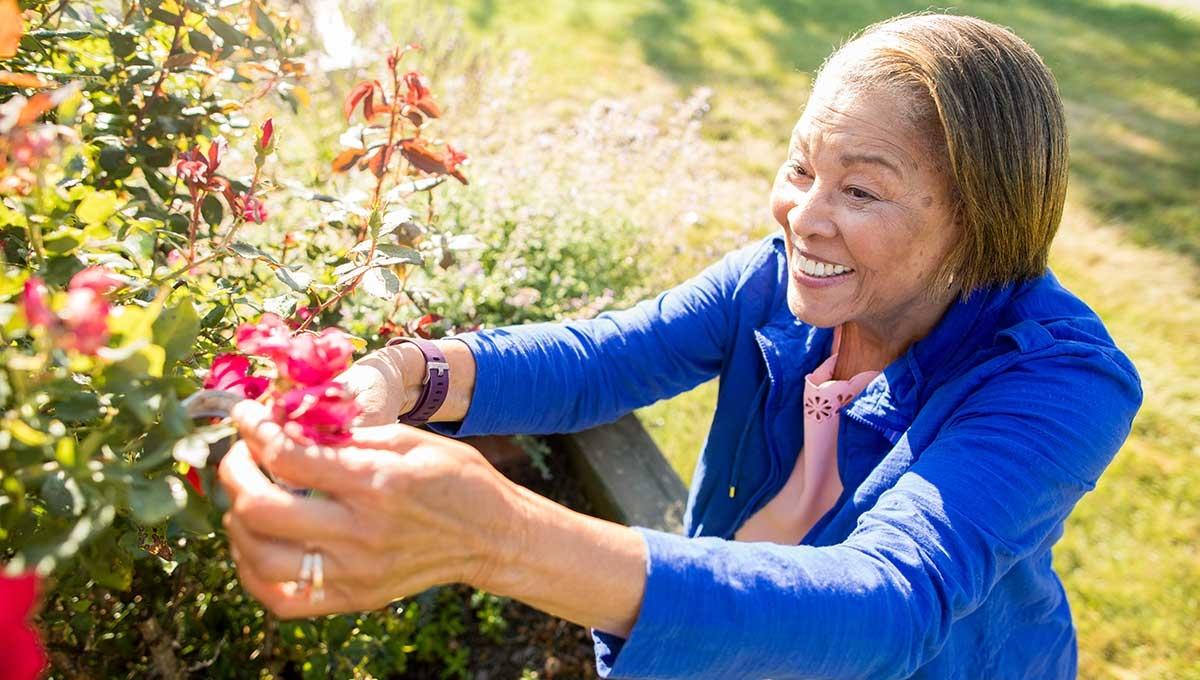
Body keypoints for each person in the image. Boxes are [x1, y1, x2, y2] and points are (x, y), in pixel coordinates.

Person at [217, 13, 1142, 679]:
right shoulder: (773, 283)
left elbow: (885, 602)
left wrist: (496, 537)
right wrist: (397, 375)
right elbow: (599, 361)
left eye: (860, 191)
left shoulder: (1060, 382)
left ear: (980, 222)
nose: (802, 218)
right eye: (800, 167)